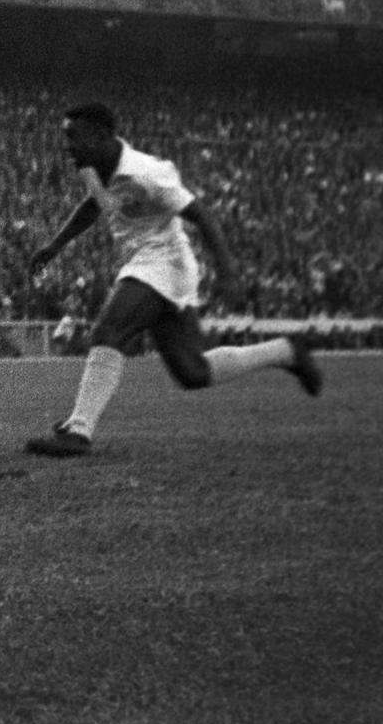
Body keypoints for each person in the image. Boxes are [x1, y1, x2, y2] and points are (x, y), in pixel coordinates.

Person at [24, 102, 322, 457]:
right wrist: (54, 246)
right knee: (191, 371)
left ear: (102, 136)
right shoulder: (93, 168)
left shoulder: (148, 173)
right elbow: (95, 205)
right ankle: (287, 351)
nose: (68, 146)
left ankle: (79, 430)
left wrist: (228, 271)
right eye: (65, 137)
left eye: (74, 137)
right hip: (145, 262)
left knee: (109, 330)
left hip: (165, 261)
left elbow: (201, 215)